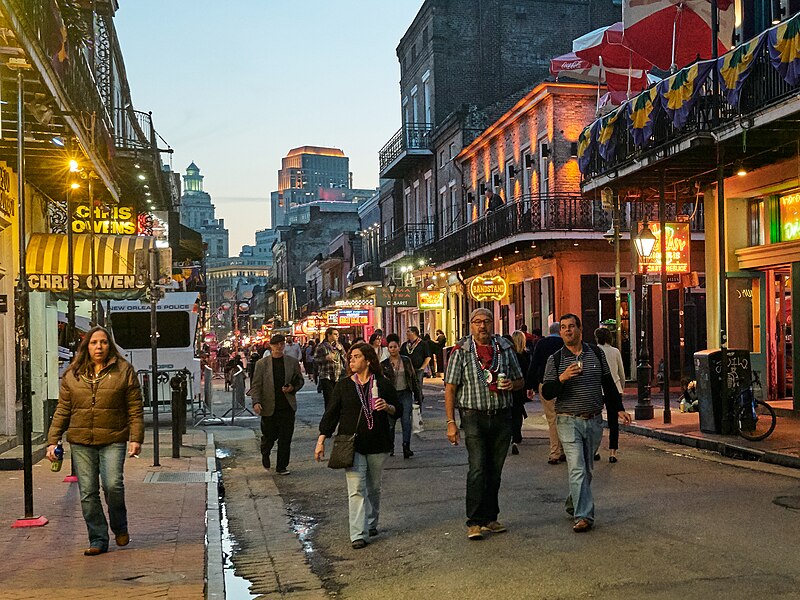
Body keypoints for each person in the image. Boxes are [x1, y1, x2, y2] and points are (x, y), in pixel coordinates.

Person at [46, 326, 144, 556]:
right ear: (86, 347)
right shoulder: (73, 374)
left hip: (113, 438)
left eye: (103, 342)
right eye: (93, 343)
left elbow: (135, 408)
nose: (98, 347)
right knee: (88, 493)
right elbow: (63, 409)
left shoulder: (124, 371)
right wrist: (53, 440)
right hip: (81, 441)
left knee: (113, 486)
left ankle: (120, 526)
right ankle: (98, 538)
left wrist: (135, 438)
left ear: (110, 345)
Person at [541, 314, 631, 533]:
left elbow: (608, 383)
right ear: (560, 332)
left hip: (593, 419)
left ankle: (574, 502)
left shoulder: (596, 353)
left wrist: (618, 408)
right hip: (568, 419)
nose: (568, 331)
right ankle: (584, 516)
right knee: (577, 467)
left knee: (587, 469)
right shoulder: (555, 359)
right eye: (563, 328)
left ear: (580, 330)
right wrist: (562, 378)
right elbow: (547, 391)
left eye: (572, 326)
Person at [444, 308, 524, 540]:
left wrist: (512, 384)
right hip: (473, 416)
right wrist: (451, 422)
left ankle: (491, 517)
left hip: (501, 415)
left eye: (487, 321)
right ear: (471, 325)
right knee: (478, 467)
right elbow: (450, 388)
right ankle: (475, 521)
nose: (482, 326)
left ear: (493, 324)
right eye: (478, 322)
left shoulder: (505, 348)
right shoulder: (461, 351)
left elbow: (520, 379)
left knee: (495, 469)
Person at [315, 343, 400, 549]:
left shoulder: (383, 383)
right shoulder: (343, 385)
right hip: (352, 445)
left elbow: (399, 409)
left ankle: (371, 523)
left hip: (378, 443)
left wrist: (387, 407)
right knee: (356, 489)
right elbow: (331, 414)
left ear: (368, 360)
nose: (351, 360)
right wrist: (321, 440)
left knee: (373, 488)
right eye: (350, 357)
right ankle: (358, 534)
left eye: (356, 356)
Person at [251, 334, 305, 475]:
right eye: (276, 344)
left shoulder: (292, 362)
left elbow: (299, 380)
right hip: (269, 407)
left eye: (282, 344)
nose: (279, 347)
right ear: (271, 345)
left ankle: (282, 466)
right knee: (269, 436)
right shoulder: (262, 364)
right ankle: (265, 451)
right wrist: (256, 402)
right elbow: (256, 385)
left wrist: (292, 387)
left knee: (285, 438)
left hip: (287, 406)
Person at [527, 321, 566, 464]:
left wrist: (530, 386)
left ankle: (555, 452)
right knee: (564, 417)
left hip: (545, 383)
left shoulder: (541, 344)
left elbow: (534, 364)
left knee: (552, 419)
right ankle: (564, 450)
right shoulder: (564, 344)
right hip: (564, 384)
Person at [381, 333, 422, 459]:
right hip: (391, 396)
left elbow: (413, 377)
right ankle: (391, 447)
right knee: (391, 423)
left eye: (395, 347)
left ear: (399, 347)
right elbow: (381, 382)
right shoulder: (384, 364)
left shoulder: (406, 360)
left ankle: (406, 446)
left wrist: (417, 395)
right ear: (388, 349)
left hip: (405, 393)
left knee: (406, 421)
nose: (393, 349)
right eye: (390, 347)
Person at [595, 327, 626, 463]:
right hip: (615, 389)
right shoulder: (615, 351)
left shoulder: (595, 351)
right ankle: (613, 452)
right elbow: (622, 373)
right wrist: (621, 388)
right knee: (614, 423)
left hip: (599, 389)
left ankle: (595, 449)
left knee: (596, 420)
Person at [510, 331, 532, 456]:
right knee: (518, 411)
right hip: (520, 387)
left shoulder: (510, 355)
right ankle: (516, 435)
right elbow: (528, 371)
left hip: (510, 387)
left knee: (510, 411)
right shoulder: (525, 355)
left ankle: (511, 434)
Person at [315, 328, 346, 409]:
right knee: (329, 400)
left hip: (338, 375)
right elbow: (315, 360)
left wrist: (341, 351)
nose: (337, 336)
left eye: (338, 334)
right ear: (329, 335)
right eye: (335, 334)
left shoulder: (339, 345)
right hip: (327, 375)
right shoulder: (321, 346)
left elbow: (345, 358)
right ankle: (329, 418)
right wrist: (325, 358)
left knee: (338, 399)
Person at [401, 326, 432, 403]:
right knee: (407, 386)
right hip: (407, 369)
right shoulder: (405, 345)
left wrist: (422, 368)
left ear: (414, 333)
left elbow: (428, 357)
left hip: (418, 369)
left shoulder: (423, 344)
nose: (406, 333)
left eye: (408, 331)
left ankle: (418, 401)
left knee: (417, 386)